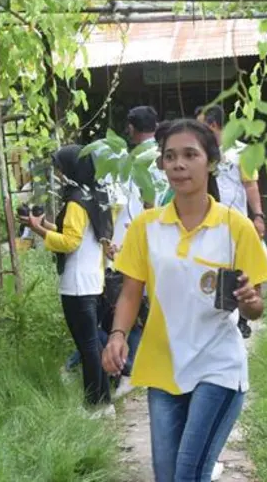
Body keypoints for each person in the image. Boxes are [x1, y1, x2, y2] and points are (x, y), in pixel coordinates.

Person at [102, 119, 267, 482]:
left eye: (190, 155)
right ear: (162, 165)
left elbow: (257, 306)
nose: (178, 164)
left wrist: (248, 300)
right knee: (167, 476)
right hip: (163, 366)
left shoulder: (235, 226)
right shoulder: (145, 227)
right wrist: (117, 335)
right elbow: (131, 291)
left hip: (218, 365)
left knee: (188, 475)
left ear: (210, 162)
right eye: (170, 156)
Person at [23, 145, 114, 418]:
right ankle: (105, 402)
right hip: (94, 279)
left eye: (60, 167)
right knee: (94, 344)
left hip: (76, 283)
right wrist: (46, 225)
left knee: (87, 346)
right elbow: (84, 235)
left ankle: (93, 405)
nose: (59, 173)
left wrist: (39, 230)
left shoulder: (75, 200)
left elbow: (70, 242)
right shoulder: (96, 194)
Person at [101, 106, 167, 400]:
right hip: (169, 239)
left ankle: (131, 369)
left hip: (138, 241)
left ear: (130, 127)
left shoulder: (132, 161)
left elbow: (130, 207)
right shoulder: (164, 157)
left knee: (131, 304)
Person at [195, 105, 266, 339]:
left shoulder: (241, 152)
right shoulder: (201, 153)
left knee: (243, 268)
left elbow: (250, 185)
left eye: (201, 125)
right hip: (208, 220)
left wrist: (258, 216)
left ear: (213, 125)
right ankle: (219, 314)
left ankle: (243, 319)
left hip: (237, 221)